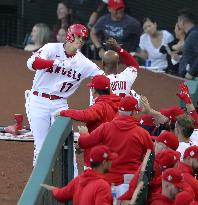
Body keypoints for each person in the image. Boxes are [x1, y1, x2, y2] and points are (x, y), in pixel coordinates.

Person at [26, 23, 104, 166]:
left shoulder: (83, 63)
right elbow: (32, 63)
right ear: (70, 35)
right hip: (38, 101)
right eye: (78, 36)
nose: (80, 41)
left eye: (84, 38)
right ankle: (39, 185)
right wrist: (56, 63)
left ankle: (71, 184)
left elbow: (103, 78)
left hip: (60, 104)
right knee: (41, 147)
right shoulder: (51, 48)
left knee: (66, 148)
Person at [78, 96, 154, 186]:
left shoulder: (105, 128)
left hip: (109, 182)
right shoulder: (142, 133)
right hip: (131, 183)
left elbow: (83, 143)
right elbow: (152, 155)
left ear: (119, 110)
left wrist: (84, 134)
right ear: (133, 112)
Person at [41, 145, 117, 205]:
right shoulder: (102, 186)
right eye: (110, 160)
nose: (111, 163)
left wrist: (53, 189)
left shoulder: (79, 179)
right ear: (104, 163)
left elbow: (61, 194)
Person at [90, 38, 139, 105]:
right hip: (124, 113)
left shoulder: (99, 83)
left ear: (103, 64)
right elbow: (134, 64)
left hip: (108, 114)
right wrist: (119, 49)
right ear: (117, 64)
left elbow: (93, 106)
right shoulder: (126, 77)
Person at [177, 9, 198, 79]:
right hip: (186, 78)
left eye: (178, 21)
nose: (177, 24)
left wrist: (191, 73)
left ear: (183, 22)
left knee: (184, 90)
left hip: (192, 79)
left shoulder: (194, 34)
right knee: (182, 90)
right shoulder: (191, 35)